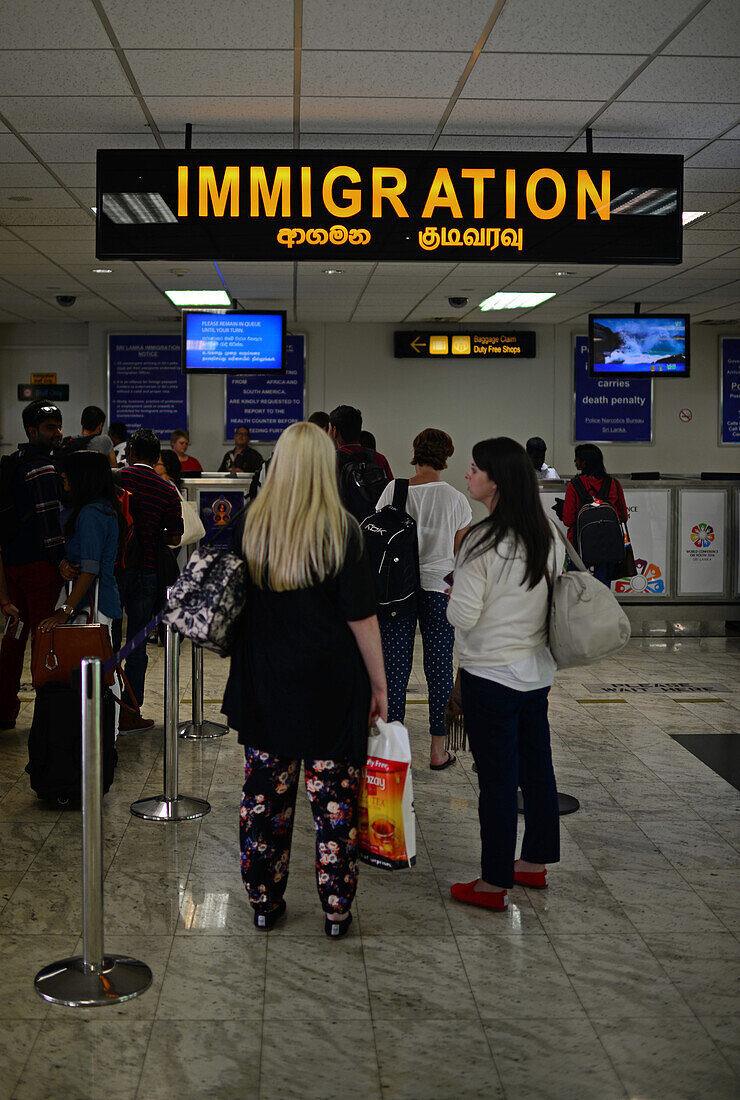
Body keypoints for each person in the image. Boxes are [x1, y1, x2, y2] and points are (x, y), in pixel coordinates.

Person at [222, 422, 387, 937]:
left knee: (264, 802)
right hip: (331, 687)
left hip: (263, 682)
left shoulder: (251, 523)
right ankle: (336, 910)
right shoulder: (343, 530)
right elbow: (362, 619)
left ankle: (264, 902)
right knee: (334, 804)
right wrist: (381, 688)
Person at [446, 437, 560, 911]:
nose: (467, 475)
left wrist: (452, 588)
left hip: (490, 676)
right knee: (536, 770)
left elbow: (463, 616)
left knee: (496, 780)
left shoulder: (482, 538)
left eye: (474, 469)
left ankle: (493, 882)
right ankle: (533, 862)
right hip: (535, 673)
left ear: (496, 480)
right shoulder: (547, 531)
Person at [375, 428, 471, 769]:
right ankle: (437, 750)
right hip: (439, 590)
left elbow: (379, 539)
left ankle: (393, 754)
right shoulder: (456, 498)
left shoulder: (394, 489)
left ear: (416, 451)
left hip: (396, 592)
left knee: (395, 671)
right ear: (447, 455)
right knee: (439, 667)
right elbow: (458, 554)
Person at [0, 401, 78, 730]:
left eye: (59, 425)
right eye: (50, 428)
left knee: (14, 637)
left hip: (12, 565)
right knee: (44, 637)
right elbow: (49, 525)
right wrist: (60, 560)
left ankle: (4, 709)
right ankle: (48, 714)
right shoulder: (43, 468)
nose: (58, 433)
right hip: (38, 570)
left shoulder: (12, 463)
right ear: (32, 431)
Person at [119, 429, 183, 731]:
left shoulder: (117, 479)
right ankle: (131, 711)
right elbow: (174, 537)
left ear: (130, 451)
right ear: (158, 456)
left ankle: (103, 708)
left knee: (102, 640)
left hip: (113, 572)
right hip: (147, 572)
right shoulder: (166, 490)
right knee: (137, 645)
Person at [38, 450, 124, 632]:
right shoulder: (100, 509)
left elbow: (90, 570)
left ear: (83, 476)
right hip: (91, 599)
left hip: (92, 602)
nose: (63, 474)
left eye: (68, 470)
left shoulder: (91, 514)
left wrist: (65, 610)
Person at [562, 444, 628, 586]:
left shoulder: (574, 485)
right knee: (603, 586)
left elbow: (568, 520)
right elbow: (623, 516)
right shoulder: (614, 484)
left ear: (584, 462)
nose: (575, 462)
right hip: (608, 545)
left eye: (577, 459)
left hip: (578, 547)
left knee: (577, 587)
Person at [329, 405, 392, 521]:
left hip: (343, 528)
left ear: (334, 431)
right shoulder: (379, 459)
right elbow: (391, 494)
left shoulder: (329, 461)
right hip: (374, 529)